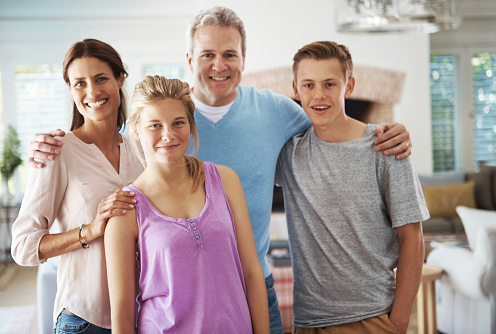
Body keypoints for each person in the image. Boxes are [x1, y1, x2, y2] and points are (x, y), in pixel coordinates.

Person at [26, 7, 413, 333]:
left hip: (251, 288)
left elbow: (330, 128)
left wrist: (385, 134)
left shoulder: (279, 113)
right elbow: (101, 141)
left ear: (244, 59)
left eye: (230, 54)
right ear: (190, 60)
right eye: (208, 54)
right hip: (170, 304)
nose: (219, 65)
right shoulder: (147, 132)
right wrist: (50, 145)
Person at [275, 41, 429, 334]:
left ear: (349, 85)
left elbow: (413, 239)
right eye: (308, 85)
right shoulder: (289, 154)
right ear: (295, 89)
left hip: (371, 318)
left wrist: (397, 324)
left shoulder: (385, 147)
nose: (319, 95)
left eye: (330, 83)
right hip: (307, 323)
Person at [104, 75, 269, 334]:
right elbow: (123, 314)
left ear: (191, 126)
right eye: (154, 125)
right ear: (135, 130)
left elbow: (252, 273)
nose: (168, 135)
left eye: (177, 123)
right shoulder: (126, 209)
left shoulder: (225, 180)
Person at [11, 39, 143, 333]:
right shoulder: (57, 151)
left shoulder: (142, 149)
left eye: (100, 79)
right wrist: (90, 230)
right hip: (85, 320)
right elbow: (23, 247)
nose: (92, 92)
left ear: (120, 79)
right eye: (79, 83)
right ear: (70, 90)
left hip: (142, 316)